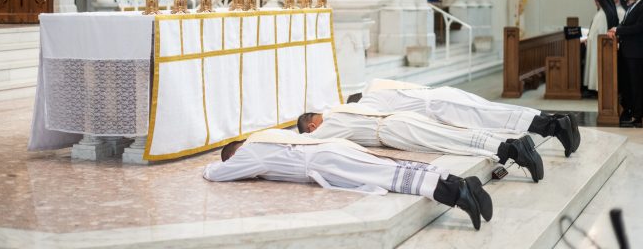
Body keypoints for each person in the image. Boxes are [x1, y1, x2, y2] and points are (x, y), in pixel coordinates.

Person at [204, 129, 493, 230]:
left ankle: (456, 196)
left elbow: (217, 174)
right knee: (392, 166)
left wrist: (206, 168)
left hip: (325, 161)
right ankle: (460, 183)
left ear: (237, 152)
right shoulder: (270, 135)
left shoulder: (250, 151)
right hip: (333, 150)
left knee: (389, 175)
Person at [298, 104, 545, 183]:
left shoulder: (327, 126)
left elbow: (306, 142)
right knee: (453, 134)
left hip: (393, 131)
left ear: (312, 126)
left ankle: (514, 150)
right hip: (400, 118)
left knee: (451, 141)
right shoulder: (340, 108)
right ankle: (513, 147)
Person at [351, 86, 579, 157]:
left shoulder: (369, 102)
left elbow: (365, 120)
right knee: (495, 112)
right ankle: (555, 121)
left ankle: (554, 126)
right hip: (443, 98)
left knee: (493, 116)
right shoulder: (378, 90)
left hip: (441, 107)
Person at [607, 0, 643, 127]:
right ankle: (632, 111)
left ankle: (638, 115)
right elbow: (625, 23)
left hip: (637, 53)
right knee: (629, 84)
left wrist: (618, 30)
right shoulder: (633, 5)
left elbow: (639, 27)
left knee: (637, 85)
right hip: (629, 52)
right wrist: (616, 29)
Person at [583, 0, 619, 94]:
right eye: (594, 1)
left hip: (597, 46)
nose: (595, 3)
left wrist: (589, 38)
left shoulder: (602, 15)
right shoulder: (601, 13)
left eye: (597, 1)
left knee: (596, 67)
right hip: (595, 44)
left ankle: (596, 89)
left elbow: (600, 32)